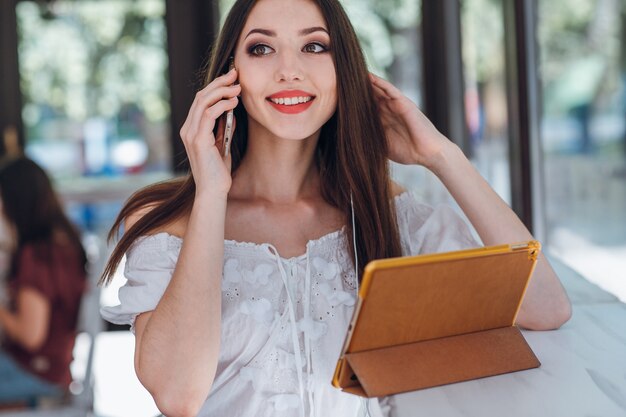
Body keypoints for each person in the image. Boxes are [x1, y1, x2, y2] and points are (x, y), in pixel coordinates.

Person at [100, 0, 572, 416]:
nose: (290, 70)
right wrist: (210, 196)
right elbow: (177, 397)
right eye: (262, 48)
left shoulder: (386, 210)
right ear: (229, 75)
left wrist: (441, 156)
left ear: (343, 70)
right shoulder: (168, 223)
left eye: (314, 47)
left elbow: (545, 306)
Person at [0, 157, 87, 407]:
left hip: (37, 372)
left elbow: (30, 335)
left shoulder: (37, 254)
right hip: (56, 368)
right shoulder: (65, 242)